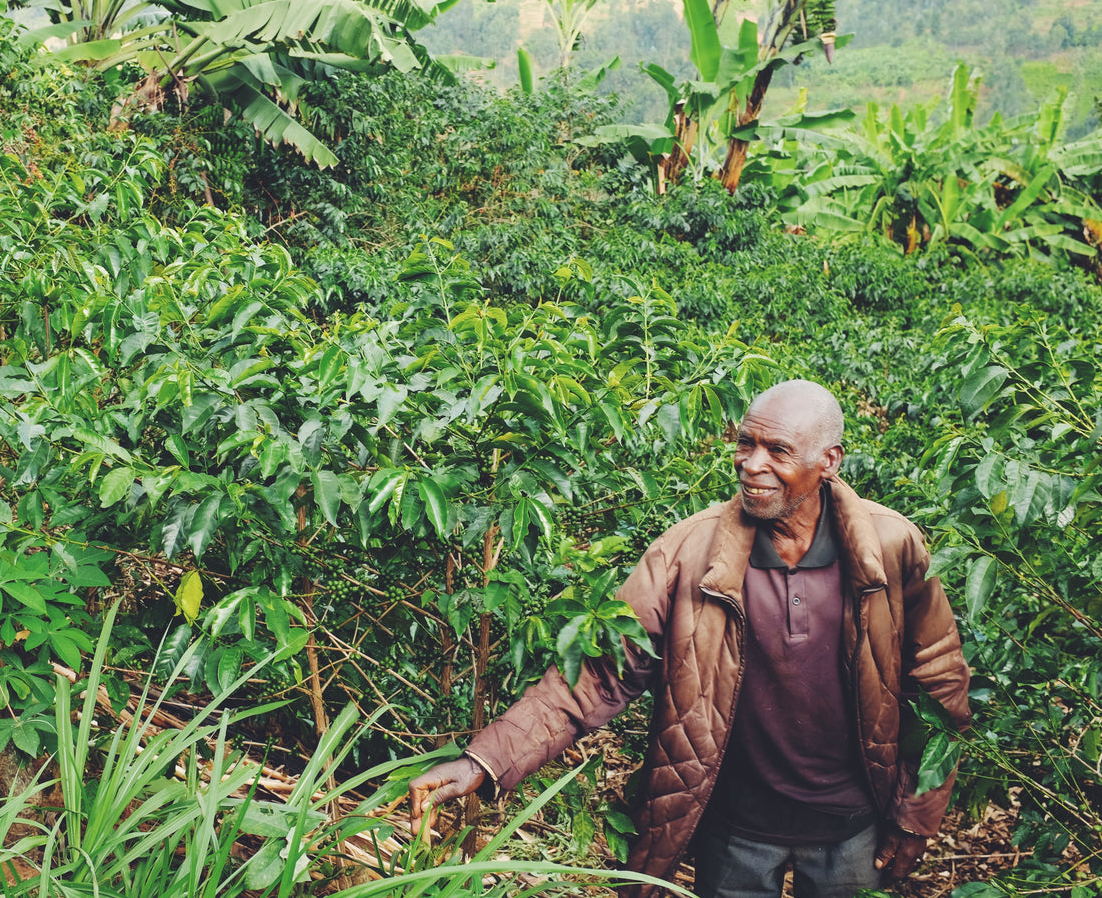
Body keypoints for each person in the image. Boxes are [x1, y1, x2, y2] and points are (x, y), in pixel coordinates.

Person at [407, 380, 971, 898]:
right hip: (731, 831)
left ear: (829, 461)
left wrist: (915, 817)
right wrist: (482, 762)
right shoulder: (686, 552)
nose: (752, 465)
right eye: (745, 443)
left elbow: (941, 686)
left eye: (777, 451)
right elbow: (600, 674)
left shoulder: (892, 546)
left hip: (853, 828)